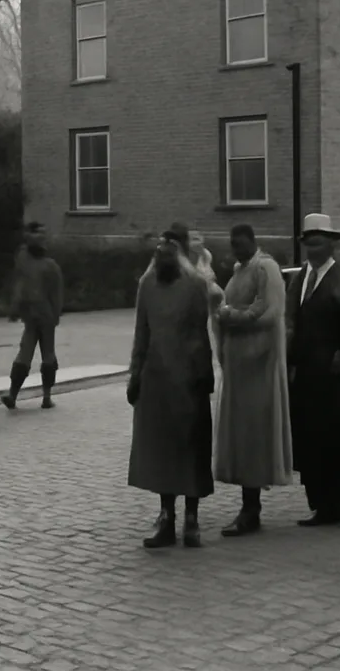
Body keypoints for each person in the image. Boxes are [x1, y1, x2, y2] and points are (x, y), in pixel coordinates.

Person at [126, 226, 214, 549]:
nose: (163, 252)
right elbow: (141, 332)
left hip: (188, 381)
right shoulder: (147, 284)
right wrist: (135, 375)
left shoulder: (196, 285)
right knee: (161, 451)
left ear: (180, 251)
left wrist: (204, 375)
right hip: (156, 381)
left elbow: (200, 333)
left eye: (170, 247)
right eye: (160, 247)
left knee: (190, 449)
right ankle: (167, 517)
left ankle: (191, 519)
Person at [285, 213, 340, 533]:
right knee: (311, 439)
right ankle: (322, 506)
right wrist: (289, 360)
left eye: (319, 242)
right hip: (307, 373)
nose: (313, 248)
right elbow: (291, 320)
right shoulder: (300, 277)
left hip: (336, 374)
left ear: (331, 244)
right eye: (308, 242)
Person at [214, 224, 293, 536]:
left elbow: (270, 312)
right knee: (242, 434)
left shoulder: (265, 268)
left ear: (253, 241)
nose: (237, 248)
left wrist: (232, 316)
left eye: (241, 242)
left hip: (259, 364)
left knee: (254, 434)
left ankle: (251, 508)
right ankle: (249, 505)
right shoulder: (240, 270)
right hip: (238, 366)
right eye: (233, 243)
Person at [0, 221, 64, 411]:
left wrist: (15, 308)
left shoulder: (25, 260)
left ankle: (13, 394)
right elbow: (56, 295)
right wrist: (56, 315)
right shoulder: (49, 266)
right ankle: (46, 396)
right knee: (47, 354)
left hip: (33, 314)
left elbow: (19, 287)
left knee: (26, 353)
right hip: (44, 314)